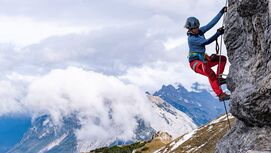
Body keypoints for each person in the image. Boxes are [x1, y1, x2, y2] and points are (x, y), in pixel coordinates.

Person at [185, 7, 230, 101]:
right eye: (195, 28)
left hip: (203, 59)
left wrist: (221, 12)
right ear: (190, 29)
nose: (197, 29)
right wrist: (218, 34)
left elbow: (211, 24)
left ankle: (219, 78)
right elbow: (206, 42)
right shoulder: (192, 39)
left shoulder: (200, 31)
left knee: (222, 59)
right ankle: (220, 95)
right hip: (195, 63)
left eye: (197, 27)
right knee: (210, 73)